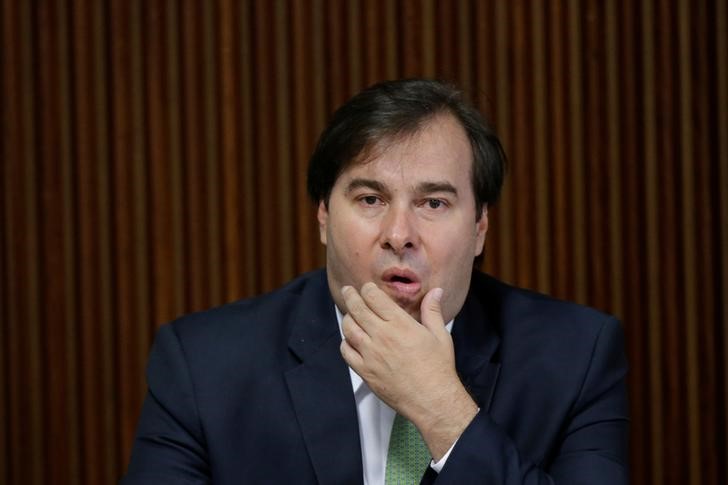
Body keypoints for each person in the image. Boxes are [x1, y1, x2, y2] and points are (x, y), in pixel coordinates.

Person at [123, 79, 629, 484]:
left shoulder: (576, 356)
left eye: (434, 203)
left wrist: (445, 413)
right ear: (323, 215)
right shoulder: (204, 365)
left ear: (480, 228)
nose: (398, 234)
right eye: (370, 199)